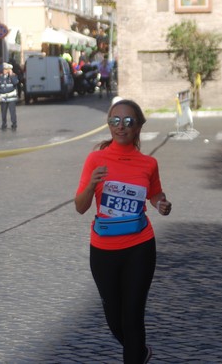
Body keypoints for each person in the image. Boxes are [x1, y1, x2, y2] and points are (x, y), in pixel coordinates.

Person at [75, 99, 172, 363]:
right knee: (114, 318)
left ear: (138, 126)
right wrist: (91, 184)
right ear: (109, 125)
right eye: (115, 121)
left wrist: (161, 204)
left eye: (128, 121)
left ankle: (134, 354)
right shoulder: (95, 160)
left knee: (133, 315)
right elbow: (80, 207)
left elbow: (155, 194)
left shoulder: (148, 164)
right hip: (103, 249)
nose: (121, 127)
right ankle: (139, 352)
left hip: (140, 246)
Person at [0, 62, 19, 130]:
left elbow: (15, 82)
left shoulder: (13, 76)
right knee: (3, 113)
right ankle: (4, 124)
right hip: (3, 98)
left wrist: (11, 75)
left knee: (12, 112)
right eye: (4, 69)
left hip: (11, 98)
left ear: (9, 70)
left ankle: (14, 124)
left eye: (6, 69)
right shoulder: (0, 77)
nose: (4, 71)